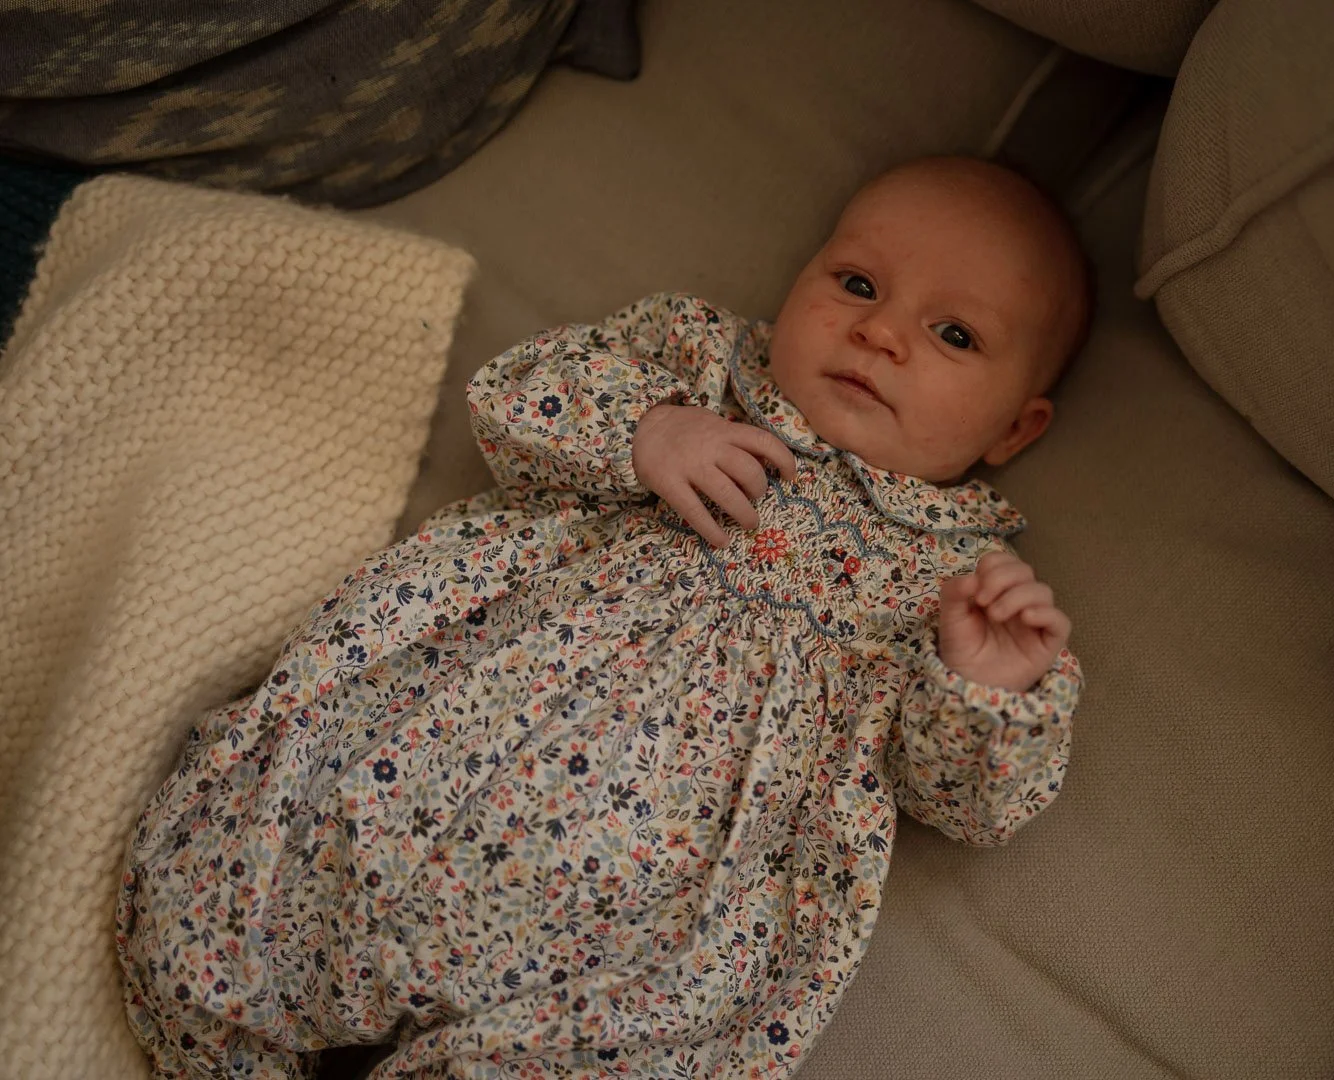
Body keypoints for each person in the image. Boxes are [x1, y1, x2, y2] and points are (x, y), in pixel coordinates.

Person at [116, 156, 1090, 1079]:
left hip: (650, 907)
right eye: (857, 284)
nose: (883, 334)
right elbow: (516, 400)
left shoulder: (960, 580)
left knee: (631, 1036)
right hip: (449, 740)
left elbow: (967, 799)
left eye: (954, 335)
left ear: (1016, 427)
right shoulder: (701, 372)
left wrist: (984, 686)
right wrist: (649, 433)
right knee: (244, 874)